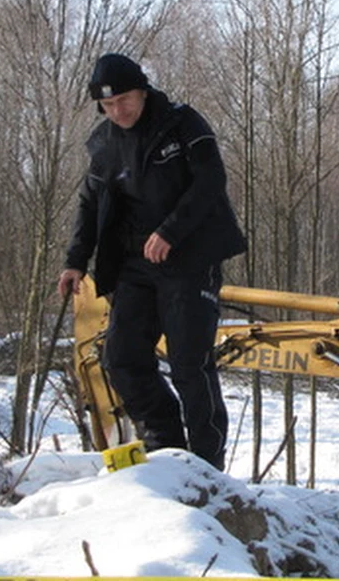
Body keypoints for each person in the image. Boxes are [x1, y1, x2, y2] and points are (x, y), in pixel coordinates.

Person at [58, 53, 246, 471]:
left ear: (142, 91)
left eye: (124, 100)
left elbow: (211, 180)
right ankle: (166, 448)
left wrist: (171, 231)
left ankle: (206, 466)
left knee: (188, 365)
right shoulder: (104, 144)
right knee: (121, 357)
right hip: (133, 265)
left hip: (190, 258)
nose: (117, 111)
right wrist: (75, 261)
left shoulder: (183, 124)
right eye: (107, 106)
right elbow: (90, 205)